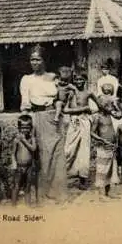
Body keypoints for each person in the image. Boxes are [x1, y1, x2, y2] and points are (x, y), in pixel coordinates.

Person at [19, 44, 64, 201]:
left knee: (56, 154)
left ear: (44, 60)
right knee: (39, 155)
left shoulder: (53, 77)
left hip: (54, 117)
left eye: (38, 59)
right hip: (36, 117)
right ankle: (39, 192)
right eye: (32, 59)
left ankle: (56, 191)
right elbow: (25, 103)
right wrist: (24, 122)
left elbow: (60, 98)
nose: (35, 62)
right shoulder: (26, 80)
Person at [63, 70, 101, 190]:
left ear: (85, 81)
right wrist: (83, 108)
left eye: (81, 80)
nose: (79, 82)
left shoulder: (89, 93)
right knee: (69, 149)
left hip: (85, 121)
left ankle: (83, 179)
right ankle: (65, 176)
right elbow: (65, 110)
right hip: (74, 121)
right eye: (76, 80)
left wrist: (93, 111)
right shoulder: (71, 93)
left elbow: (99, 105)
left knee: (84, 150)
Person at [91, 97, 121, 200]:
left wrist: (116, 105)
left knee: (109, 170)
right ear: (103, 107)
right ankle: (101, 195)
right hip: (103, 147)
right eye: (110, 105)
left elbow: (120, 115)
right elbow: (92, 132)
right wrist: (102, 140)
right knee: (102, 170)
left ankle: (108, 193)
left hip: (111, 146)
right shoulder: (98, 117)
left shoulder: (109, 115)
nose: (112, 107)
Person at [11, 115, 39, 206]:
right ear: (19, 128)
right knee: (16, 186)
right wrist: (14, 164)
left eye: (27, 127)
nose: (25, 130)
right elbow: (13, 153)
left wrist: (24, 140)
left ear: (31, 128)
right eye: (23, 127)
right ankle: (13, 206)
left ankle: (28, 206)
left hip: (29, 167)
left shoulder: (32, 139)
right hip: (19, 167)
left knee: (28, 187)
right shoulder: (16, 140)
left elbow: (34, 149)